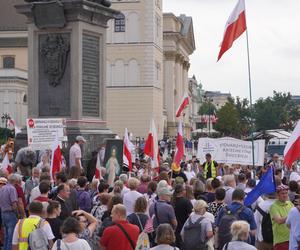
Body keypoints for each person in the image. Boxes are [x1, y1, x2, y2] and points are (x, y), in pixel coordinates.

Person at [269, 184, 293, 250]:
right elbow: (279, 220)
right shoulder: (273, 206)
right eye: (282, 193)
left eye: (286, 193)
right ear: (277, 195)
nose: (285, 195)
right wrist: (292, 215)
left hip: (292, 238)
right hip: (280, 241)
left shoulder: (290, 203)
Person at [0, 174, 19, 250]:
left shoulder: (2, 188)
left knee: (6, 235)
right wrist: (17, 214)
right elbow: (14, 203)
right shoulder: (12, 189)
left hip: (3, 213)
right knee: (11, 235)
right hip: (10, 213)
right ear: (15, 181)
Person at [172, 184, 193, 248]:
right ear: (182, 191)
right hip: (184, 227)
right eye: (184, 190)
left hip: (174, 228)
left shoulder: (172, 201)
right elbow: (191, 215)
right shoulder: (186, 201)